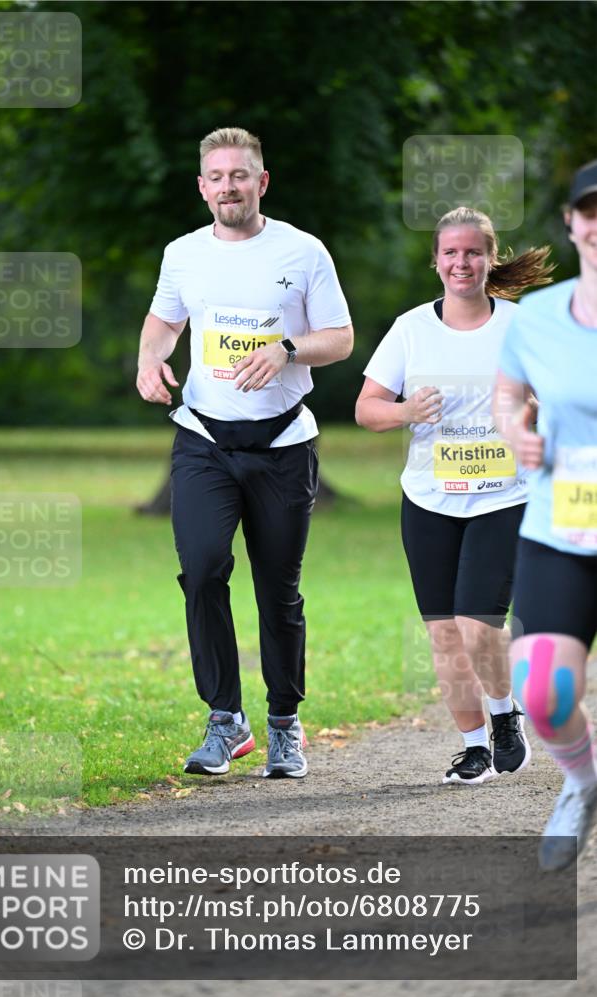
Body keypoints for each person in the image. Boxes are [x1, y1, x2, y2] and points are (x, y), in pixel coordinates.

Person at [136, 127, 353, 780]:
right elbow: (165, 320)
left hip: (283, 444)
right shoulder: (182, 254)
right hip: (203, 440)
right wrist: (149, 357)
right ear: (202, 188)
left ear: (262, 182)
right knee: (201, 571)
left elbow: (339, 338)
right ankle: (224, 719)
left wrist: (285, 349)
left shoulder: (303, 251)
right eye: (216, 176)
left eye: (240, 175)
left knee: (276, 591)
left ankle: (285, 724)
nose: (228, 186)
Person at [356, 206, 554, 785]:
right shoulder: (411, 328)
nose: (461, 262)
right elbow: (367, 409)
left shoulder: (521, 326)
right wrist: (405, 411)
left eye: (472, 252)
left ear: (490, 260)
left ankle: (503, 714)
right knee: (443, 631)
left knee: (476, 625)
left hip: (502, 496)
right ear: (436, 261)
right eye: (450, 253)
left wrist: (533, 411)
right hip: (428, 500)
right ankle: (473, 747)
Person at [494, 160, 597, 869]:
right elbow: (506, 395)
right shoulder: (534, 316)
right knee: (541, 689)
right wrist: (514, 430)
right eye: (590, 211)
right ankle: (582, 782)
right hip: (561, 524)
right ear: (570, 221)